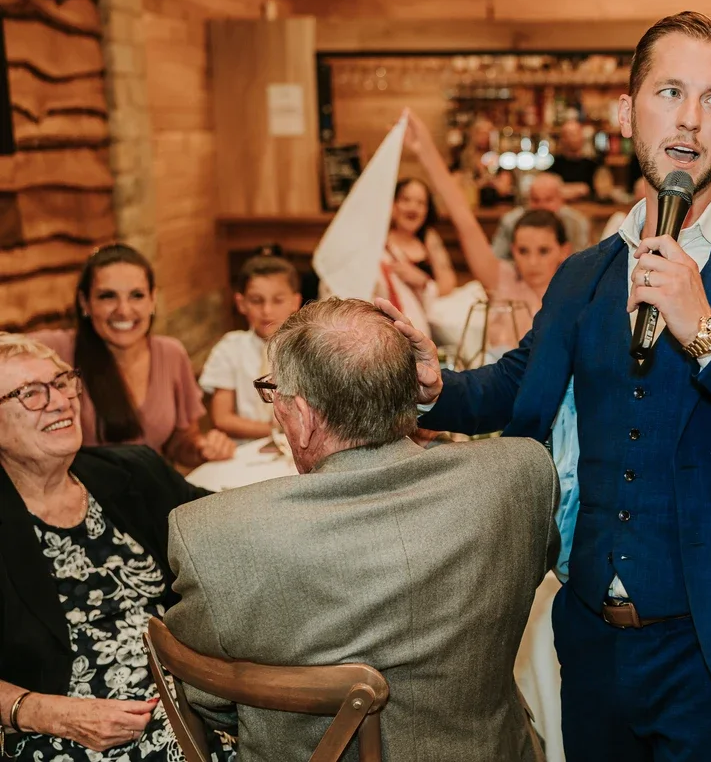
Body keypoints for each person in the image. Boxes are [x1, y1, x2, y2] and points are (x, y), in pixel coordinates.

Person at [395, 10, 711, 761]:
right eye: (670, 92)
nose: (689, 119)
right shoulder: (584, 272)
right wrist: (433, 388)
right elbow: (522, 384)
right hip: (597, 643)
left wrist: (708, 331)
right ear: (626, 112)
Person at [165, 298, 559, 761]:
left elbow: (208, 696)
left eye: (275, 396)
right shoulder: (522, 474)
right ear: (412, 387)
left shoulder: (212, 533)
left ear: (306, 415)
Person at [0, 333, 232, 761]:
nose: (58, 401)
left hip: (196, 694)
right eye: (30, 393)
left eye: (62, 381)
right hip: (72, 728)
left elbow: (228, 527)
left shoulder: (132, 471)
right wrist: (44, 712)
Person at [32, 245, 235, 467]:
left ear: (152, 299)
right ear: (84, 302)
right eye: (107, 296)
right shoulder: (54, 351)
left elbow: (181, 443)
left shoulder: (171, 353)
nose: (124, 310)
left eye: (136, 295)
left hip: (156, 495)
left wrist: (204, 448)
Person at [405, 112, 571, 347]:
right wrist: (425, 151)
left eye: (543, 251)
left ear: (563, 250)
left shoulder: (573, 293)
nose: (532, 261)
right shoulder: (501, 279)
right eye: (523, 251)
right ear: (512, 250)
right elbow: (464, 220)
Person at [200, 254, 303, 441]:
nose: (267, 311)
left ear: (295, 302)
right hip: (245, 449)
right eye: (256, 301)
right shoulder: (229, 349)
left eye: (278, 300)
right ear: (241, 303)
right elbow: (222, 418)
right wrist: (276, 431)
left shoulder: (306, 349)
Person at [374, 177, 459, 337]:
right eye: (406, 200)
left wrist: (422, 282)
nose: (413, 208)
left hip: (429, 323)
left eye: (421, 203)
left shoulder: (428, 238)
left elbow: (448, 282)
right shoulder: (381, 243)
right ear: (393, 205)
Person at [490, 172, 591, 261]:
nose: (542, 206)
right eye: (536, 200)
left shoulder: (577, 223)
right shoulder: (510, 222)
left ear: (561, 199)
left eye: (548, 200)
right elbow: (496, 259)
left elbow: (583, 262)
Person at [549, 119, 601, 200]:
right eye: (569, 135)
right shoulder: (555, 165)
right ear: (562, 139)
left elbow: (602, 190)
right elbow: (550, 192)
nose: (573, 138)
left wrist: (566, 189)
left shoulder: (593, 165)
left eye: (577, 134)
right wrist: (579, 189)